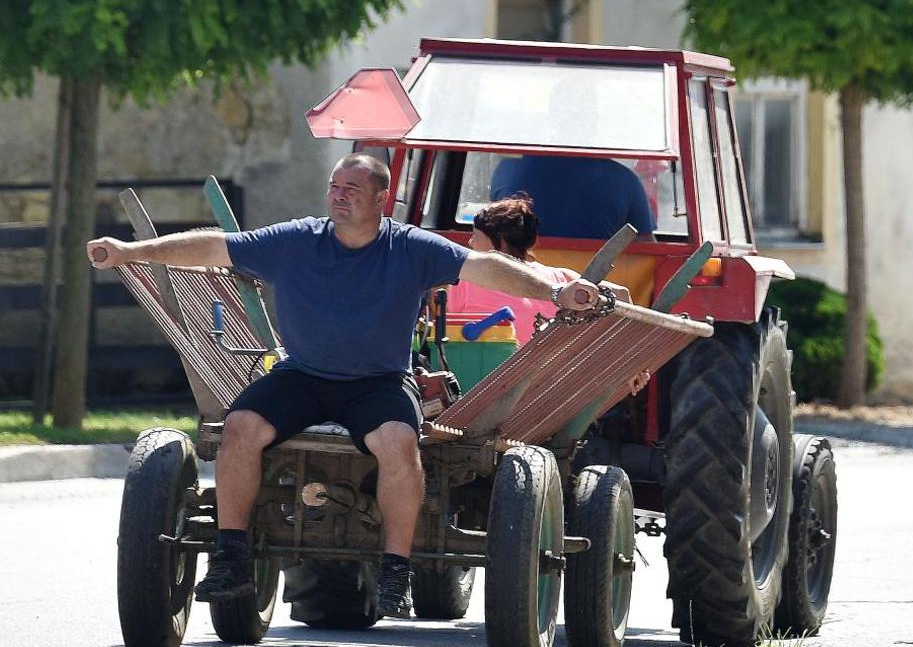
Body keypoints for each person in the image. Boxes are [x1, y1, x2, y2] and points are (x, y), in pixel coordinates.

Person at [87, 153, 593, 619]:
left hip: (377, 383)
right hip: (303, 376)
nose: (339, 195)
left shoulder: (411, 247)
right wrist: (132, 251)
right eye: (334, 186)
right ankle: (232, 553)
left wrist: (554, 290)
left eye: (352, 188)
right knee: (239, 426)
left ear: (381, 199)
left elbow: (484, 266)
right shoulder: (297, 240)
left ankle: (396, 569)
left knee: (398, 442)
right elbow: (214, 246)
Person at [448, 194, 579, 345]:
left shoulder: (465, 279)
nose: (470, 242)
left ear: (500, 241)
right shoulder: (564, 278)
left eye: (475, 235)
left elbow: (451, 337)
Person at [490, 154, 655, 240]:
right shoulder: (624, 179)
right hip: (597, 293)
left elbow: (489, 229)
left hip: (514, 286)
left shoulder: (507, 169)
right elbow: (646, 249)